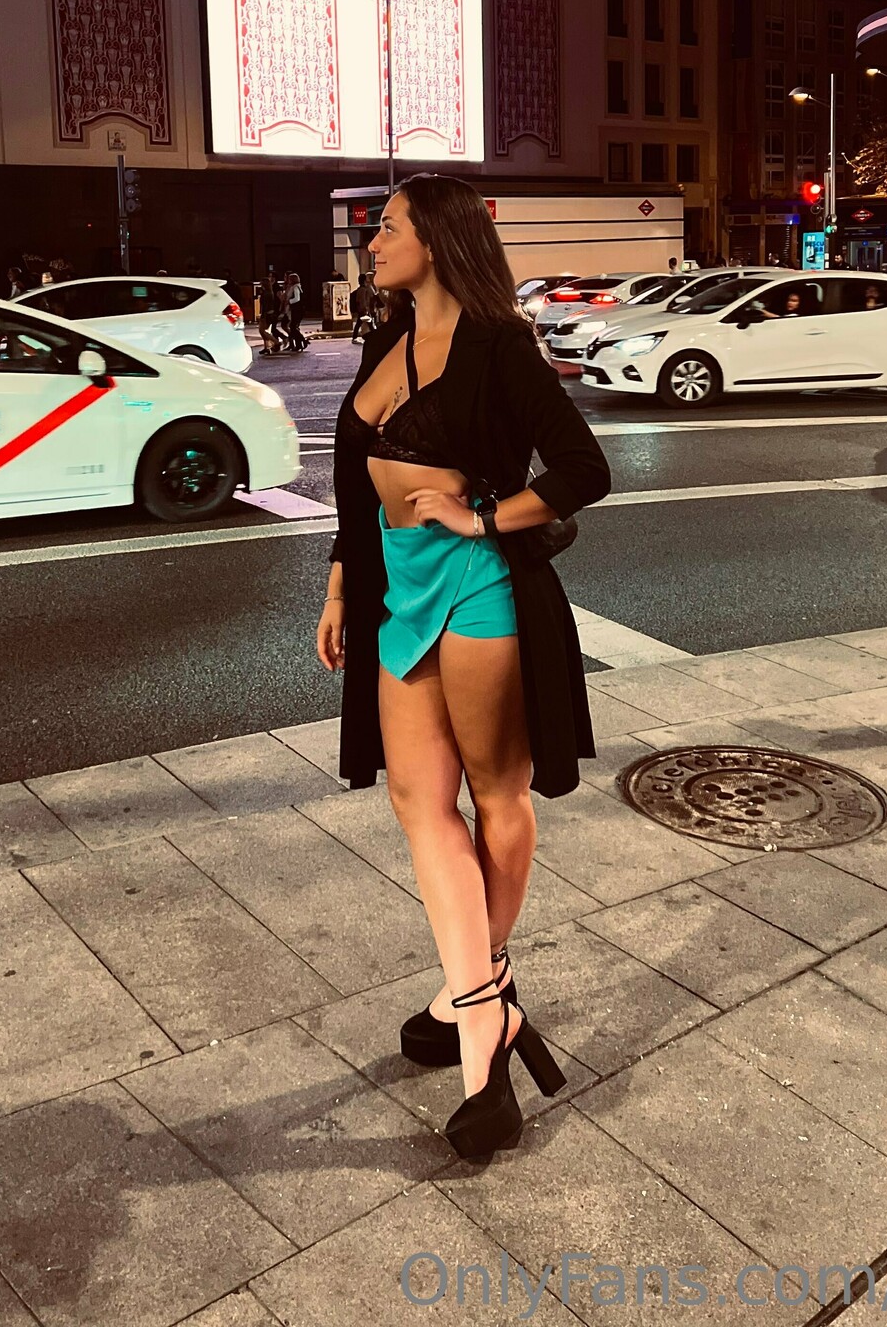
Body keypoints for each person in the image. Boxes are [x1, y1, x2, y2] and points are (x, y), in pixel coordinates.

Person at [318, 173, 611, 1162]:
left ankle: (475, 1017)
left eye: (386, 228)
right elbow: (355, 485)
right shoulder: (383, 339)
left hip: (481, 588)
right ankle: (485, 996)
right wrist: (340, 587)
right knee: (416, 800)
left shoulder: (499, 346)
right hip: (396, 586)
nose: (372, 244)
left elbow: (583, 470)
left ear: (437, 239)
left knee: (496, 797)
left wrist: (484, 517)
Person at [350, 270, 379, 343]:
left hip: (364, 310)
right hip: (364, 310)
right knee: (369, 323)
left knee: (361, 323)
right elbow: (362, 301)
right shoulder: (363, 290)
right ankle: (375, 337)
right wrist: (365, 309)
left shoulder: (363, 289)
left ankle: (355, 337)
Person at [258, 266, 281, 356]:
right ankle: (267, 347)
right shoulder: (269, 292)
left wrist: (262, 315)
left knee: (262, 331)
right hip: (269, 313)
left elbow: (265, 305)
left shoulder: (266, 294)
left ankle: (275, 342)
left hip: (266, 314)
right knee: (263, 331)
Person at [283, 271, 307, 351]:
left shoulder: (296, 287)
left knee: (293, 327)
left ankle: (303, 340)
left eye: (290, 279)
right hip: (295, 309)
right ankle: (299, 344)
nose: (288, 280)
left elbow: (297, 298)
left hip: (297, 309)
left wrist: (289, 301)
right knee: (293, 327)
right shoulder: (293, 287)